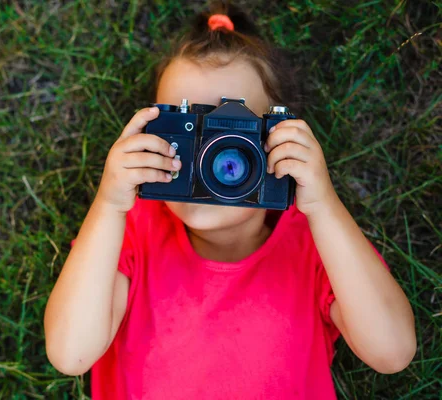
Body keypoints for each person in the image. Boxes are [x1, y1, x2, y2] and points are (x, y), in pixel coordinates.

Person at [44, 2, 416, 399]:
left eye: (231, 132)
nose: (207, 157)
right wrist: (108, 205)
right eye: (185, 126)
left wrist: (323, 205)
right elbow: (71, 354)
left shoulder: (316, 244)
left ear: (280, 137)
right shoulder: (132, 230)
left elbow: (392, 352)